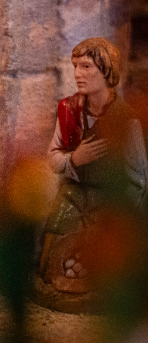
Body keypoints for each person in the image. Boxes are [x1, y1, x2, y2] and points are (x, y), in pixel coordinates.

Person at [39, 37, 148, 296]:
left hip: (109, 200)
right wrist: (75, 159)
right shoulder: (68, 110)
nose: (78, 74)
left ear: (107, 70)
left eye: (86, 67)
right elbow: (52, 158)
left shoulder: (124, 119)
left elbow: (140, 179)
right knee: (50, 254)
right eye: (75, 66)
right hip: (74, 194)